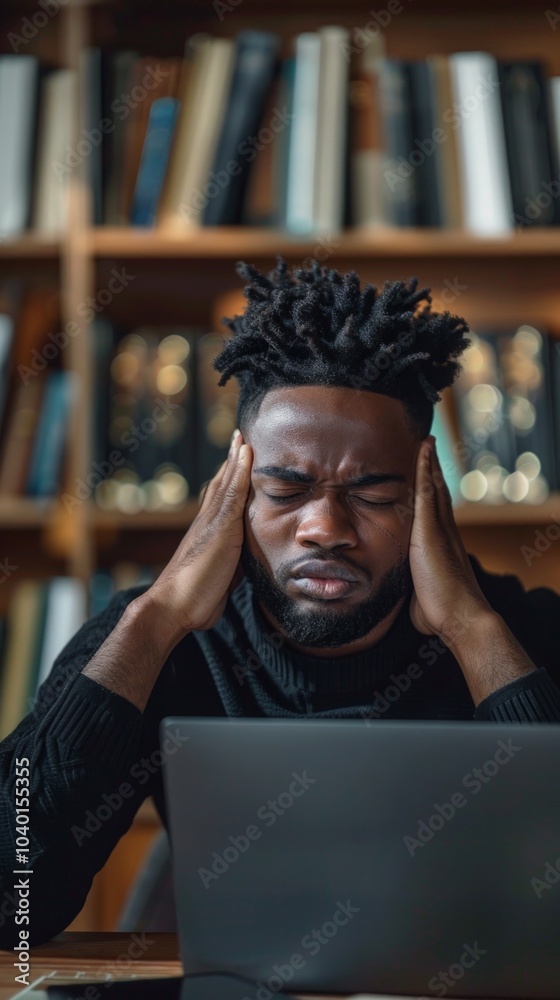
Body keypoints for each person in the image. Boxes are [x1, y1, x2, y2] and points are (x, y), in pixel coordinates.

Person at [1, 258, 560, 949]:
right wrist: (159, 615)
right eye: (285, 490)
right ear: (232, 491)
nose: (323, 528)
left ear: (427, 495)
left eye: (374, 494)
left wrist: (475, 634)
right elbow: (10, 905)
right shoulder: (154, 645)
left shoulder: (522, 632)